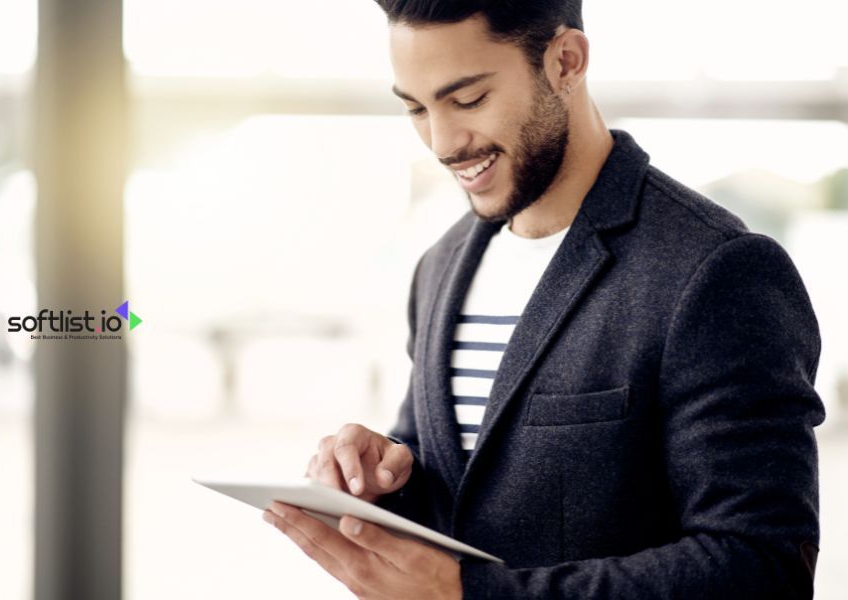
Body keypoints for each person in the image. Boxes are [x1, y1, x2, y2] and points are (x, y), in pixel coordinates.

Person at [260, 2, 825, 598]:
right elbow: (449, 473)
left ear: (566, 62)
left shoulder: (717, 270)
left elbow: (762, 564)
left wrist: (475, 595)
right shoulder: (441, 265)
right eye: (415, 107)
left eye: (469, 99)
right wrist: (385, 472)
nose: (443, 142)